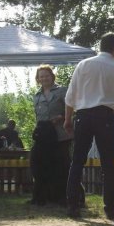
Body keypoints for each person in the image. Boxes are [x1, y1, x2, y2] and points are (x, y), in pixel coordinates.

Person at [64, 33, 114, 220]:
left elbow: (70, 96)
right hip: (105, 116)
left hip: (83, 116)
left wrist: (67, 119)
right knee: (107, 164)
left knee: (77, 161)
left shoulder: (84, 65)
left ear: (100, 46)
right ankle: (110, 208)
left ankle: (72, 205)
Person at [34, 64, 74, 205]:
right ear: (38, 79)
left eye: (47, 75)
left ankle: (68, 196)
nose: (44, 78)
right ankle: (48, 196)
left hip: (61, 134)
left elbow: (72, 107)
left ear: (52, 76)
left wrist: (62, 117)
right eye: (41, 76)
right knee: (45, 166)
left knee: (63, 166)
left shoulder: (62, 91)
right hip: (44, 138)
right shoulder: (37, 95)